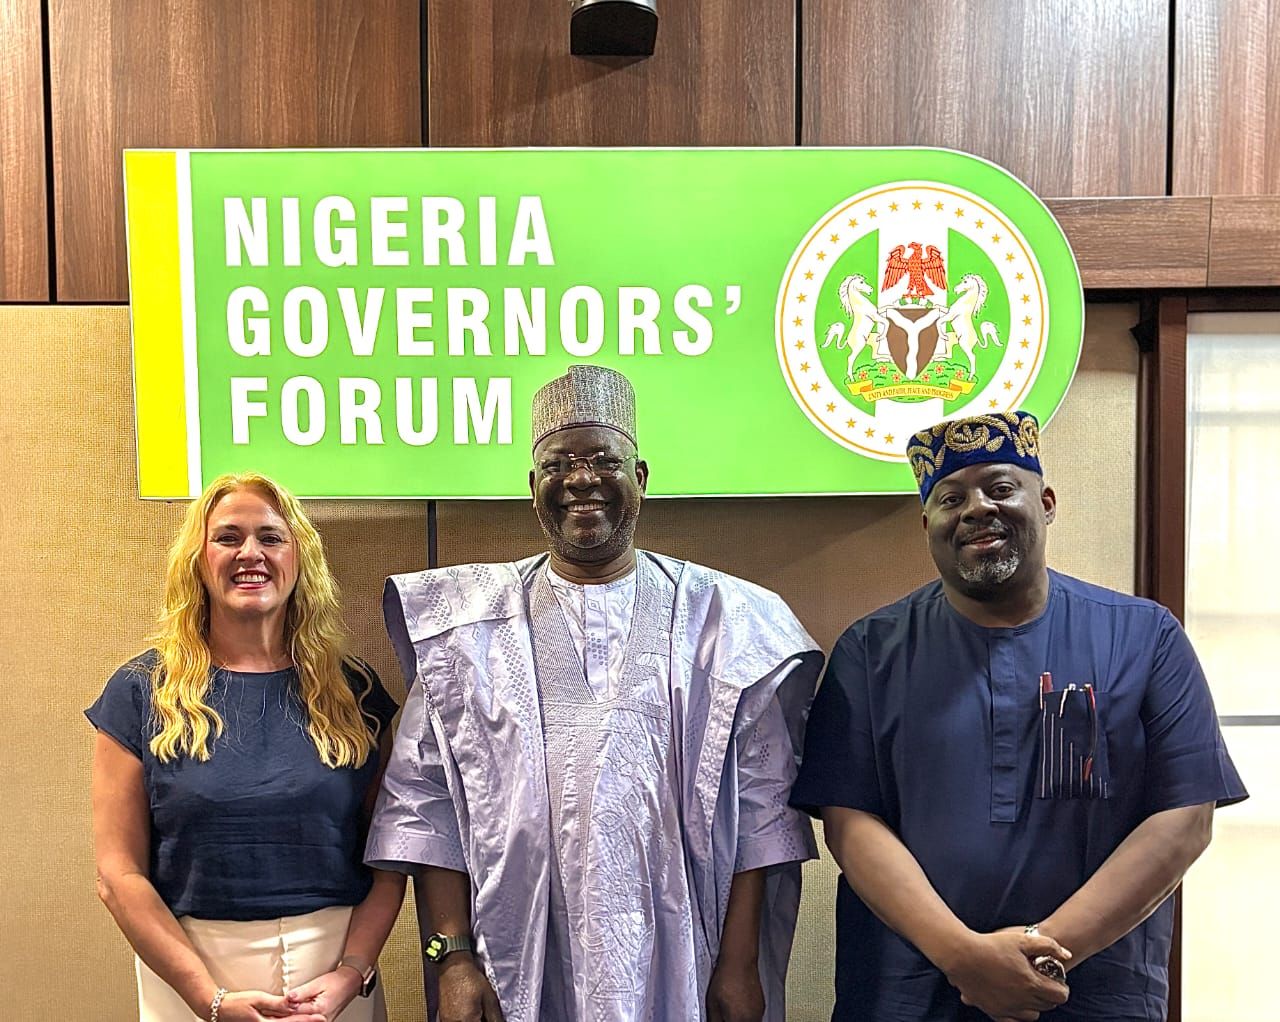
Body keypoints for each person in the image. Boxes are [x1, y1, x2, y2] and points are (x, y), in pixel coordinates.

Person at [366, 364, 823, 1022]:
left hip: (683, 960)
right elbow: (426, 809)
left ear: (638, 478)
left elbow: (761, 812)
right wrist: (453, 958)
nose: (581, 478)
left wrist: (738, 963)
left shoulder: (726, 623)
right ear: (534, 488)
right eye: (559, 463)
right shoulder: (463, 629)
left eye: (602, 458)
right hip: (512, 959)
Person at [791, 410, 1248, 1021]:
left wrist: (1044, 958)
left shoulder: (1144, 637)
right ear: (928, 524)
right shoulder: (869, 650)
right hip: (910, 991)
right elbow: (850, 824)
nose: (977, 508)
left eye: (1000, 488)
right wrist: (965, 958)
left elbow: (1185, 819)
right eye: (951, 498)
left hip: (1092, 991)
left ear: (1048, 501)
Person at [88, 473, 406, 1022]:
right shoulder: (140, 691)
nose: (250, 553)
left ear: (298, 557)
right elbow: (118, 875)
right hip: (190, 977)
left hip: (334, 983)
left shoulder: (355, 691)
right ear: (198, 559)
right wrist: (206, 998)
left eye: (271, 537)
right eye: (228, 537)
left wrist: (352, 973)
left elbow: (390, 858)